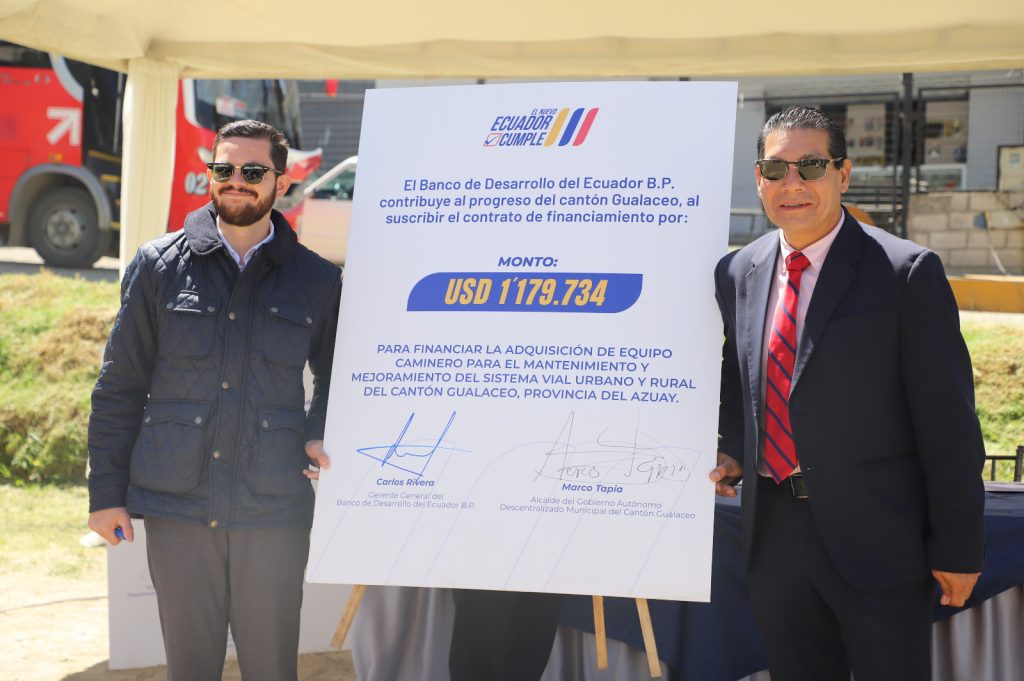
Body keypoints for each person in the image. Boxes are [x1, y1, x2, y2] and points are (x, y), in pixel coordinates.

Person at [709, 105, 985, 681]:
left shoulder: (906, 272)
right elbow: (740, 377)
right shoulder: (738, 271)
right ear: (758, 178)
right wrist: (732, 445)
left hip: (878, 542)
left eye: (811, 166)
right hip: (774, 538)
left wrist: (959, 548)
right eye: (776, 168)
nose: (792, 183)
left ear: (843, 173)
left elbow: (949, 424)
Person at [87, 119, 341, 681]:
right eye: (224, 169)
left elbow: (337, 377)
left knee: (272, 669)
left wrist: (318, 430)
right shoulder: (157, 266)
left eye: (253, 171)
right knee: (190, 670)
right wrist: (105, 493)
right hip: (179, 506)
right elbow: (119, 385)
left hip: (273, 507)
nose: (236, 181)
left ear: (282, 182)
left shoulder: (318, 280)